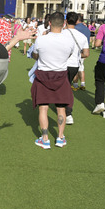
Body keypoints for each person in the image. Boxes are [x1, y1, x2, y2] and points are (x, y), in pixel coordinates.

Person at [31, 12, 75, 149]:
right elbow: (69, 55)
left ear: (49, 23)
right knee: (61, 108)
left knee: (43, 108)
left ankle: (45, 139)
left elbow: (35, 55)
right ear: (64, 24)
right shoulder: (69, 40)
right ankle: (60, 138)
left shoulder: (41, 39)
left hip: (44, 75)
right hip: (60, 75)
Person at [63, 12, 89, 125]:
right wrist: (77, 55)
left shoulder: (61, 34)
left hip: (61, 63)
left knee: (61, 87)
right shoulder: (81, 36)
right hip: (74, 64)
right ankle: (68, 112)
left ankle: (67, 112)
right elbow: (86, 54)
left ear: (66, 21)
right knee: (67, 86)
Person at [72, 13, 91, 91]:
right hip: (85, 50)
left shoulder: (75, 28)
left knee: (75, 68)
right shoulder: (86, 28)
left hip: (76, 50)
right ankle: (83, 83)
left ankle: (75, 85)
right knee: (81, 67)